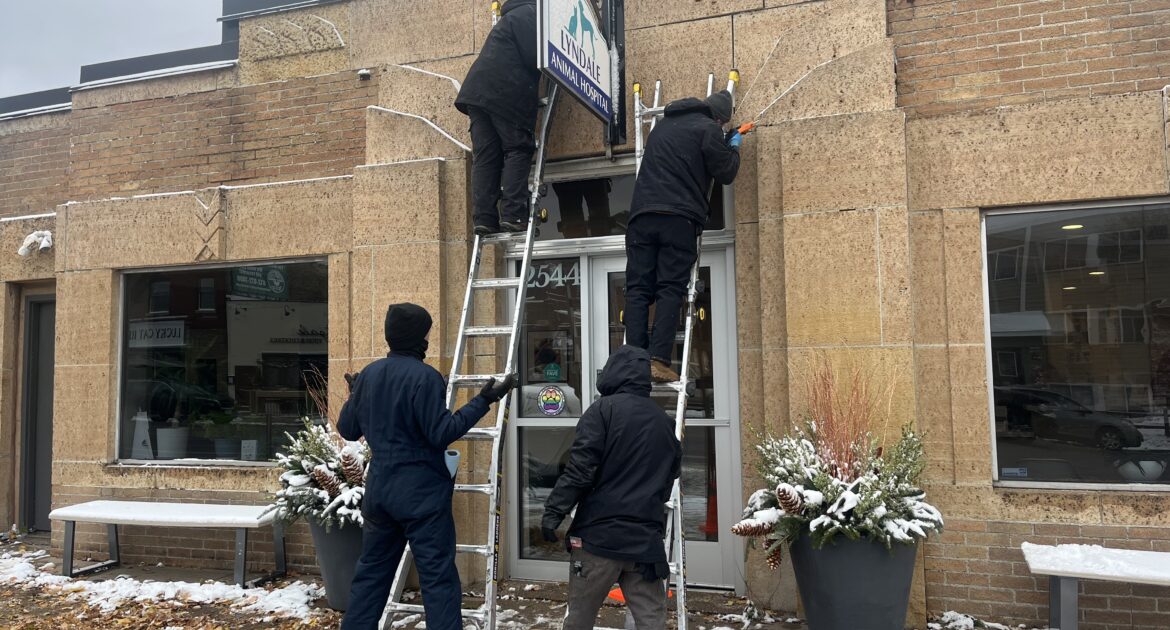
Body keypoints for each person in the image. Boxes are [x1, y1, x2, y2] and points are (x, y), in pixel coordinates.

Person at [339, 303, 516, 630]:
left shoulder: (369, 375)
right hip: (421, 495)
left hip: (380, 492)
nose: (429, 340)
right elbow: (442, 434)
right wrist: (484, 399)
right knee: (438, 580)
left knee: (371, 577)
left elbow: (348, 430)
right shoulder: (426, 378)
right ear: (418, 337)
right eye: (426, 334)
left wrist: (356, 393)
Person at [541, 345, 682, 629]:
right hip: (644, 544)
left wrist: (554, 513)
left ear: (613, 373)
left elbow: (580, 471)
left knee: (579, 619)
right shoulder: (664, 422)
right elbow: (670, 477)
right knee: (651, 622)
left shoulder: (601, 412)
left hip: (598, 539)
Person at [625, 89, 743, 382]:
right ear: (719, 118)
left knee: (638, 288)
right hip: (677, 218)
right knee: (670, 287)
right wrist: (734, 145)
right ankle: (657, 359)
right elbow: (725, 172)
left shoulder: (662, 127)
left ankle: (634, 358)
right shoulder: (709, 129)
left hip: (641, 216)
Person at [455, 0, 541, 236]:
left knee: (486, 156)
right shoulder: (532, 13)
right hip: (505, 90)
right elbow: (536, 55)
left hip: (477, 93)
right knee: (518, 147)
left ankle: (484, 219)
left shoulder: (509, 18)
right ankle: (513, 215)